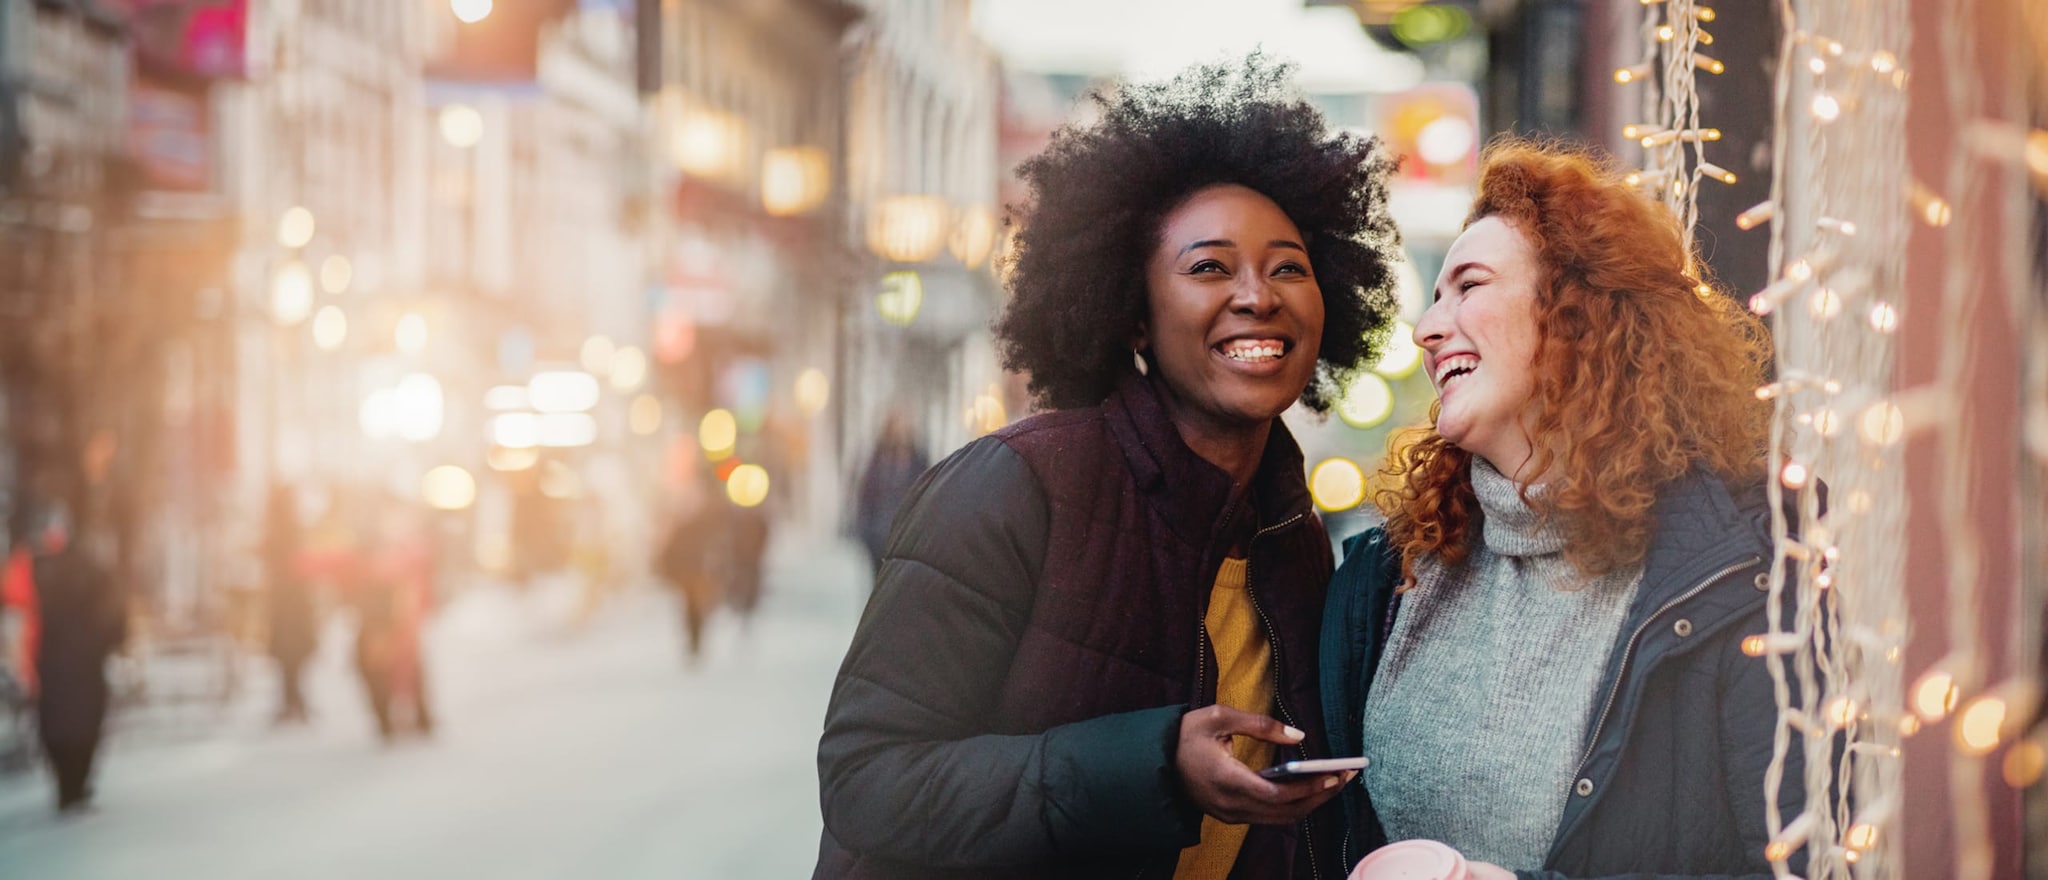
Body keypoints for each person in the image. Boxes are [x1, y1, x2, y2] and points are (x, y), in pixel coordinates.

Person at [815, 55, 1401, 880]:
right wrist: (1154, 765)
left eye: (1289, 268)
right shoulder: (1012, 488)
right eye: (1208, 267)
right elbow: (866, 781)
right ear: (1132, 315)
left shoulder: (1292, 533)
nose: (1258, 296)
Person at [1318, 141, 1803, 879]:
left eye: (1467, 285)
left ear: (1579, 308)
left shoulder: (1744, 564)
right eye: (1435, 296)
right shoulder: (1386, 577)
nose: (1427, 328)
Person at [30, 523, 126, 814]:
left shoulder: (40, 570)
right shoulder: (96, 572)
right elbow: (115, 613)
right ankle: (77, 784)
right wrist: (115, 641)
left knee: (56, 722)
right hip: (86, 661)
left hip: (52, 662)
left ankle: (66, 787)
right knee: (86, 721)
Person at [263, 485, 318, 724]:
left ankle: (293, 700)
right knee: (291, 655)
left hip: (288, 603)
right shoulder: (290, 531)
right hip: (292, 603)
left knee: (291, 655)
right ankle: (294, 700)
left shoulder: (280, 531)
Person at [851, 410, 928, 583]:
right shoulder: (879, 460)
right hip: (879, 539)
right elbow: (866, 496)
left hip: (908, 541)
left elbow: (926, 498)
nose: (901, 433)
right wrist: (867, 532)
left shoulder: (919, 461)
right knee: (879, 586)